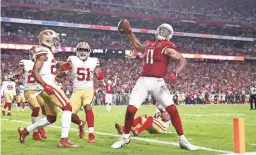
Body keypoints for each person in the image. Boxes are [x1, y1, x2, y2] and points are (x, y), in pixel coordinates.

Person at [111, 21, 197, 150]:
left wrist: (175, 73)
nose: (163, 33)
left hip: (158, 83)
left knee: (172, 110)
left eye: (166, 32)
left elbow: (182, 60)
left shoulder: (167, 47)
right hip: (144, 80)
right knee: (130, 110)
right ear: (157, 31)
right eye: (162, 30)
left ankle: (182, 140)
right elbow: (138, 46)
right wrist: (130, 33)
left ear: (169, 36)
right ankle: (125, 137)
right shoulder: (149, 44)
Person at [17, 29, 78, 148]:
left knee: (51, 118)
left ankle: (25, 130)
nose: (55, 42)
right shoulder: (43, 51)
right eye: (54, 40)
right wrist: (45, 85)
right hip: (48, 86)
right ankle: (64, 140)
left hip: (45, 87)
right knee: (67, 107)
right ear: (47, 40)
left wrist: (65, 65)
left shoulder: (48, 53)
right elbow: (35, 72)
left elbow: (52, 67)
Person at [56, 42, 105, 143]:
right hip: (76, 91)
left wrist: (99, 73)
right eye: (81, 50)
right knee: (70, 114)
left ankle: (91, 133)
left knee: (87, 106)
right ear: (77, 51)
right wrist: (61, 69)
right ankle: (81, 123)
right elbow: (63, 71)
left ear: (89, 51)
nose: (83, 52)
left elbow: (99, 72)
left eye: (85, 50)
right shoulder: (72, 59)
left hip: (88, 89)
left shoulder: (94, 60)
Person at [13, 46, 47, 140]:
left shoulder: (43, 63)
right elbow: (20, 72)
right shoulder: (25, 62)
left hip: (39, 90)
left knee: (46, 107)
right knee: (36, 107)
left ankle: (40, 127)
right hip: (29, 90)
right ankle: (35, 132)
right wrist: (17, 75)